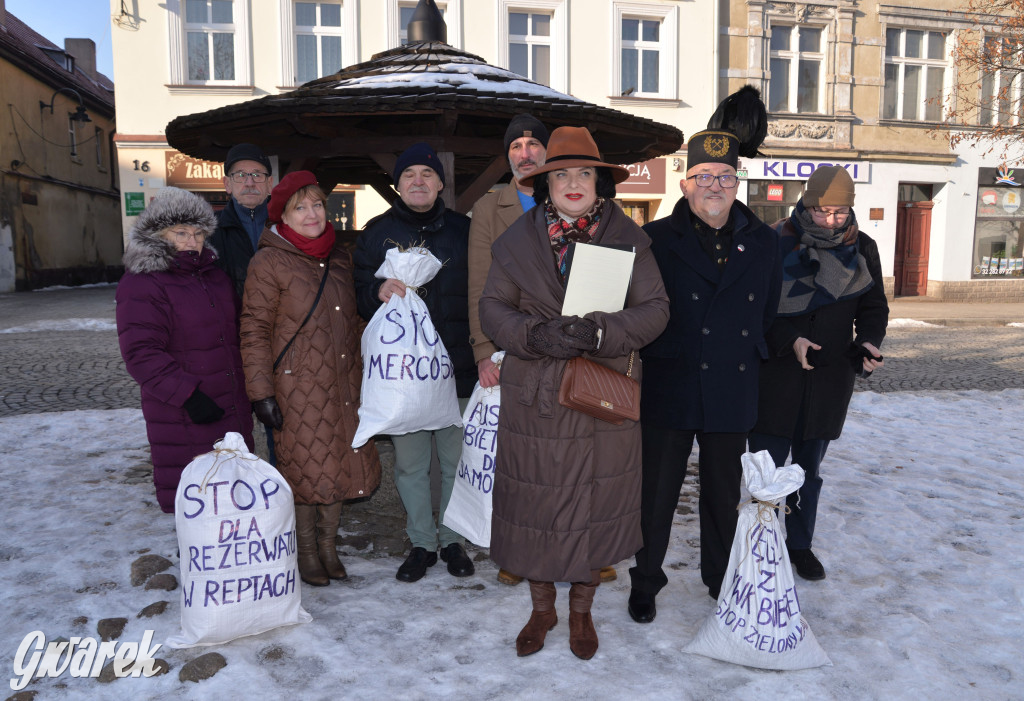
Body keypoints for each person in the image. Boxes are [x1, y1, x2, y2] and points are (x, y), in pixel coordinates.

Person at [479, 126, 669, 659]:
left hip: (600, 395)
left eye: (583, 173)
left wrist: (602, 331)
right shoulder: (517, 239)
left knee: (594, 507)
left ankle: (582, 614)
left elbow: (655, 309)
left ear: (598, 181)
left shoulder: (629, 237)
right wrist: (533, 335)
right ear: (546, 183)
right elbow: (493, 307)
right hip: (535, 395)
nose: (572, 183)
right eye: (561, 174)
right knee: (537, 507)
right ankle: (542, 611)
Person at [628, 128, 782, 624]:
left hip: (731, 386)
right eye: (704, 176)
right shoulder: (653, 240)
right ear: (684, 183)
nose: (715, 186)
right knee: (656, 495)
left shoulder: (763, 241)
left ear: (737, 184)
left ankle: (719, 579)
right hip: (671, 380)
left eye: (726, 177)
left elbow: (770, 312)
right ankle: (646, 581)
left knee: (722, 496)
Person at [240, 171, 380, 587]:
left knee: (338, 465)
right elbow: (254, 330)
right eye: (299, 207)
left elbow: (353, 319)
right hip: (296, 386)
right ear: (283, 215)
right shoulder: (268, 261)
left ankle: (329, 548)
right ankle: (306, 553)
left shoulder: (339, 256)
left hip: (343, 381)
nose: (311, 213)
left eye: (316, 204)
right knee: (305, 469)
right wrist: (261, 391)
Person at [748, 165, 888, 581]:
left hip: (829, 377)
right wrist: (790, 339)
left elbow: (874, 306)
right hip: (777, 374)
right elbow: (757, 309)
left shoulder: (863, 248)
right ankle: (760, 544)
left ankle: (800, 545)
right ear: (808, 205)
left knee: (809, 470)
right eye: (825, 211)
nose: (832, 220)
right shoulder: (774, 243)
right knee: (767, 470)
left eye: (841, 212)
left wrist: (869, 341)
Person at [353, 143, 477, 583]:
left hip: (459, 368)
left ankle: (453, 539)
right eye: (410, 175)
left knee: (453, 461)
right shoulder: (375, 232)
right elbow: (358, 292)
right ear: (398, 184)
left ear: (441, 183)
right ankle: (422, 542)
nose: (419, 181)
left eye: (428, 173)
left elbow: (485, 290)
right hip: (404, 375)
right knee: (409, 464)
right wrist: (376, 292)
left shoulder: (466, 231)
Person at [116, 187, 254, 513]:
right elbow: (141, 353)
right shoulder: (143, 283)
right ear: (159, 234)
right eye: (181, 233)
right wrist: (189, 396)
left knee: (233, 497)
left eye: (198, 233)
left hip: (230, 406)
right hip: (183, 412)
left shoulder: (214, 276)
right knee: (197, 499)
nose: (192, 241)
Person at [209, 143, 274, 299]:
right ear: (227, 184)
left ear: (269, 184)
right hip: (229, 322)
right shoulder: (208, 231)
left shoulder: (287, 226)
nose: (249, 183)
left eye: (257, 175)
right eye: (240, 175)